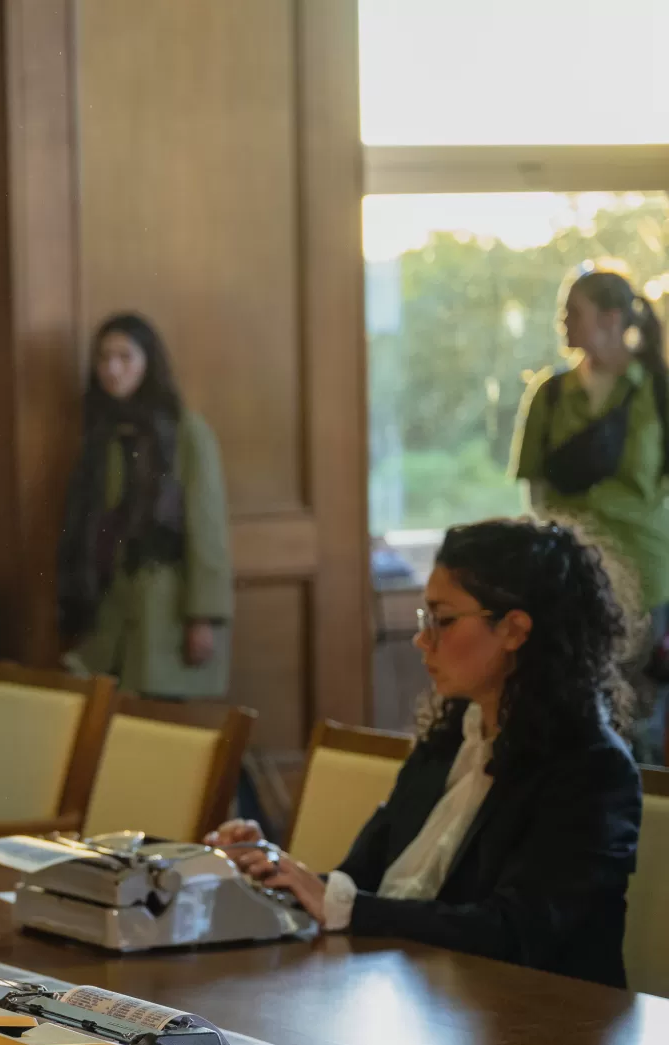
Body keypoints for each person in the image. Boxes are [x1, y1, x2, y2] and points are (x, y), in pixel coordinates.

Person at [210, 519, 640, 989]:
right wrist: (272, 872)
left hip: (535, 1030)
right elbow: (361, 885)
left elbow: (515, 934)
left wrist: (333, 899)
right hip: (418, 1001)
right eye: (425, 619)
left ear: (514, 629)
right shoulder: (449, 739)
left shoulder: (593, 771)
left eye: (442, 619)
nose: (422, 639)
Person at [513, 266, 669, 761]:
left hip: (648, 578)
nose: (562, 321)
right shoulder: (550, 394)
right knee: (574, 711)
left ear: (612, 317)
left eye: (572, 311)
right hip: (573, 577)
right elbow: (535, 490)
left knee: (645, 715)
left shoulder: (659, 392)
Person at [57, 313, 232, 699]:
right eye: (104, 358)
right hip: (110, 601)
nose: (112, 369)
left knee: (161, 719)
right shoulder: (100, 436)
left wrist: (202, 616)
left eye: (125, 357)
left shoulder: (185, 431)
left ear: (148, 363)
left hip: (166, 604)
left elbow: (207, 530)